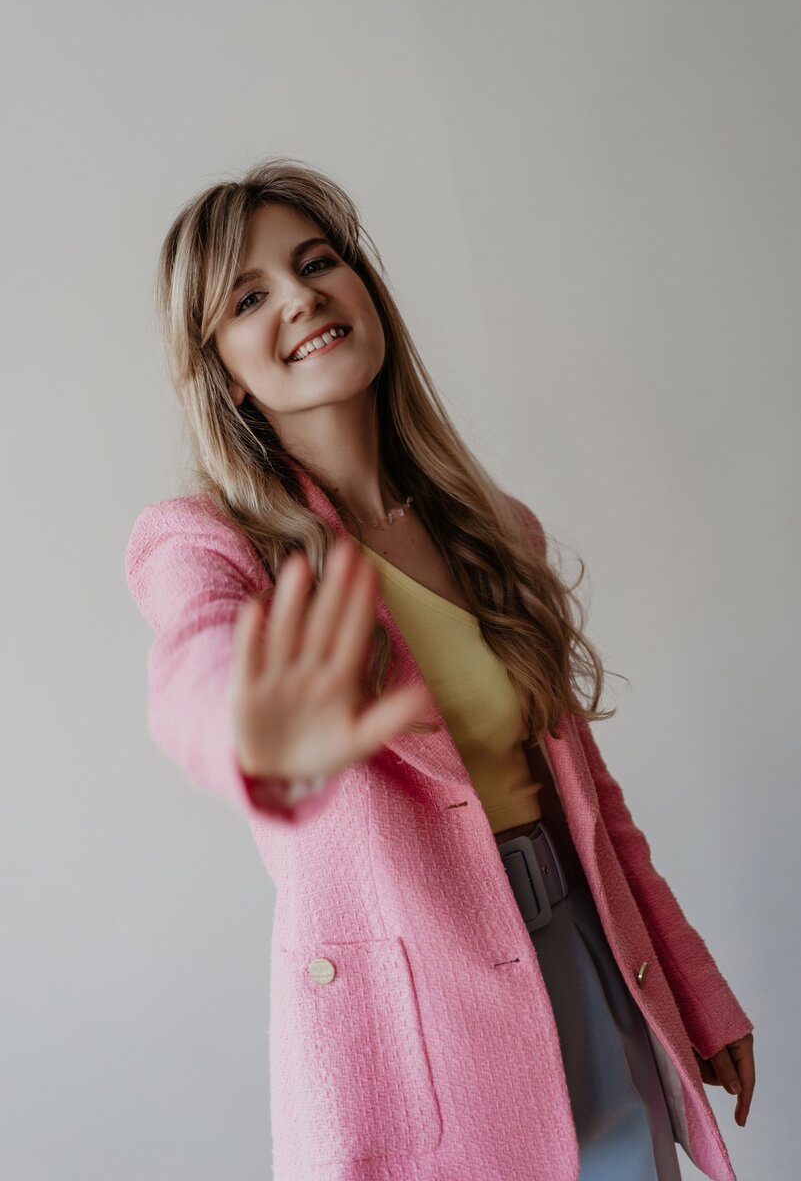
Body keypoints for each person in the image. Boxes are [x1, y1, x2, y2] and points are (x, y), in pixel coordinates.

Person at [125, 156, 755, 1180]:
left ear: (365, 290)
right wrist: (252, 724)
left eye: (316, 262)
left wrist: (693, 986)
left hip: (590, 961)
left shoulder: (496, 531)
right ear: (225, 372)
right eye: (248, 297)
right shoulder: (209, 541)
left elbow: (593, 805)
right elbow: (194, 660)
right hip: (415, 1036)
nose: (301, 298)